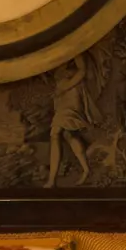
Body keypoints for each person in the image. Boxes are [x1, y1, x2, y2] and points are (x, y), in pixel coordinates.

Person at [45, 55, 95, 186]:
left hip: (70, 103)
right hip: (64, 104)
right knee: (68, 135)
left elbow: (82, 71)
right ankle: (86, 169)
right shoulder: (61, 75)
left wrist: (64, 87)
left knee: (55, 133)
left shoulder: (74, 52)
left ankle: (52, 180)